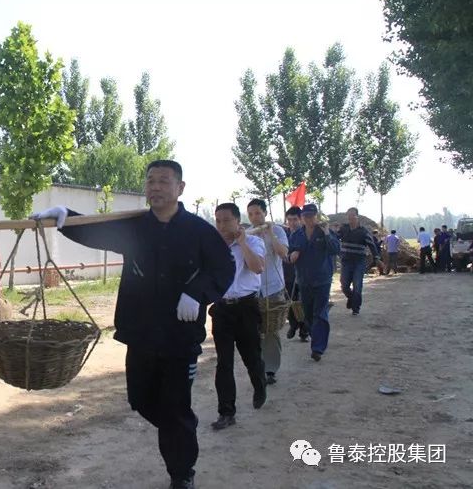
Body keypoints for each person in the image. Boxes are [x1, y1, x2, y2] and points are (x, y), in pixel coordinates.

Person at [32, 160, 234, 489]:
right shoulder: (135, 226)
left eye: (164, 181)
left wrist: (197, 294)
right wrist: (64, 217)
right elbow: (97, 231)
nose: (155, 187)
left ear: (180, 188)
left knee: (175, 408)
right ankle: (180, 428)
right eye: (151, 181)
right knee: (140, 399)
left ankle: (182, 473)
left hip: (180, 338)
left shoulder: (199, 231)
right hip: (140, 334)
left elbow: (224, 268)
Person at [209, 202, 267, 431]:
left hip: (246, 308)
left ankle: (260, 385)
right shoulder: (213, 245)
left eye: (226, 220)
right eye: (218, 221)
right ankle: (226, 412)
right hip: (222, 309)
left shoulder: (253, 242)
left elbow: (258, 268)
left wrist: (242, 243)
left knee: (252, 357)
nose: (221, 225)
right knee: (224, 363)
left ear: (237, 221)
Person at [288, 204, 340, 362]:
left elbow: (335, 249)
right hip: (304, 280)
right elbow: (288, 255)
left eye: (311, 216)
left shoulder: (324, 232)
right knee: (308, 314)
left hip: (322, 279)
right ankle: (316, 335)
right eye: (306, 216)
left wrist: (327, 234)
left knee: (320, 313)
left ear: (316, 216)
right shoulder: (297, 235)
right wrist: (292, 256)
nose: (309, 219)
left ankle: (317, 348)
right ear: (302, 218)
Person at [246, 199, 288, 385]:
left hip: (273, 287)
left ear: (265, 213)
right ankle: (258, 367)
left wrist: (270, 233)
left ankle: (270, 369)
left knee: (271, 329)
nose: (254, 217)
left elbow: (283, 253)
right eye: (251, 214)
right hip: (253, 289)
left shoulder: (278, 230)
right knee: (254, 331)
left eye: (257, 213)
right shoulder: (247, 234)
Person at [337, 208, 384, 316]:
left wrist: (376, 258)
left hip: (359, 262)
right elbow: (335, 237)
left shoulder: (363, 231)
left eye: (352, 215)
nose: (350, 217)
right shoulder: (344, 229)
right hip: (346, 261)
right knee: (344, 285)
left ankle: (356, 307)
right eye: (348, 215)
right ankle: (351, 297)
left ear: (357, 216)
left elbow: (371, 245)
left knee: (357, 285)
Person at [283, 207, 309, 341]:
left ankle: (304, 331)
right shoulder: (284, 234)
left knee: (303, 303)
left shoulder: (306, 234)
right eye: (289, 220)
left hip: (304, 275)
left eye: (295, 219)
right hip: (287, 274)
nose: (292, 223)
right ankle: (293, 324)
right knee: (289, 302)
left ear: (301, 219)